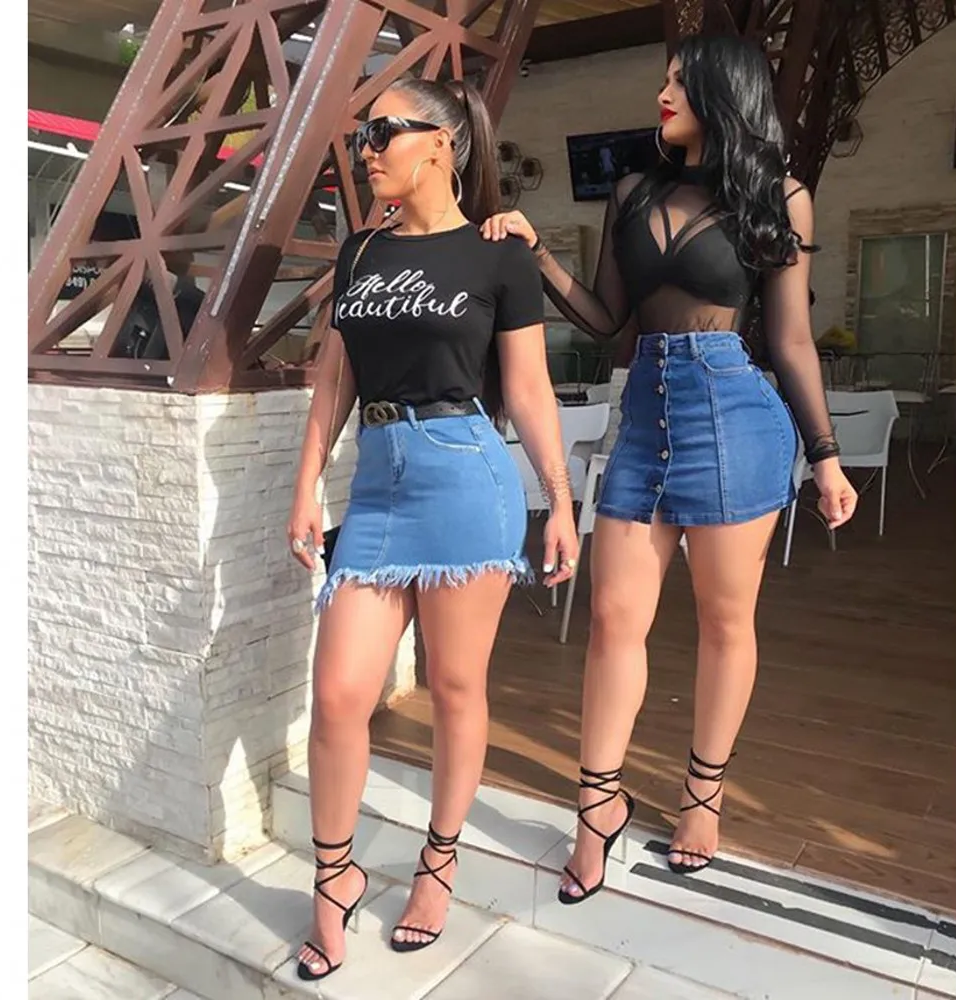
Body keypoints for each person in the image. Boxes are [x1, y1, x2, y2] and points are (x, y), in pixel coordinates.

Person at [482, 33, 858, 900]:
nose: (664, 92)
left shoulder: (780, 198)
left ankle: (703, 796)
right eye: (665, 78)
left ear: (725, 94)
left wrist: (828, 457)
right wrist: (537, 253)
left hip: (735, 418)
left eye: (682, 82)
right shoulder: (632, 190)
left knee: (726, 623)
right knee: (613, 618)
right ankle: (597, 806)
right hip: (644, 418)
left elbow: (792, 341)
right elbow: (606, 317)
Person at [287, 77, 580, 979]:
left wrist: (561, 500)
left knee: (456, 686)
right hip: (378, 488)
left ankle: (439, 861)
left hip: (467, 480)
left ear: (441, 146)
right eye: (363, 135)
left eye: (383, 132)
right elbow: (334, 380)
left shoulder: (499, 257)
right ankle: (334, 879)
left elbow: (527, 391)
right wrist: (306, 487)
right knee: (340, 694)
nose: (367, 149)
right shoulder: (361, 252)